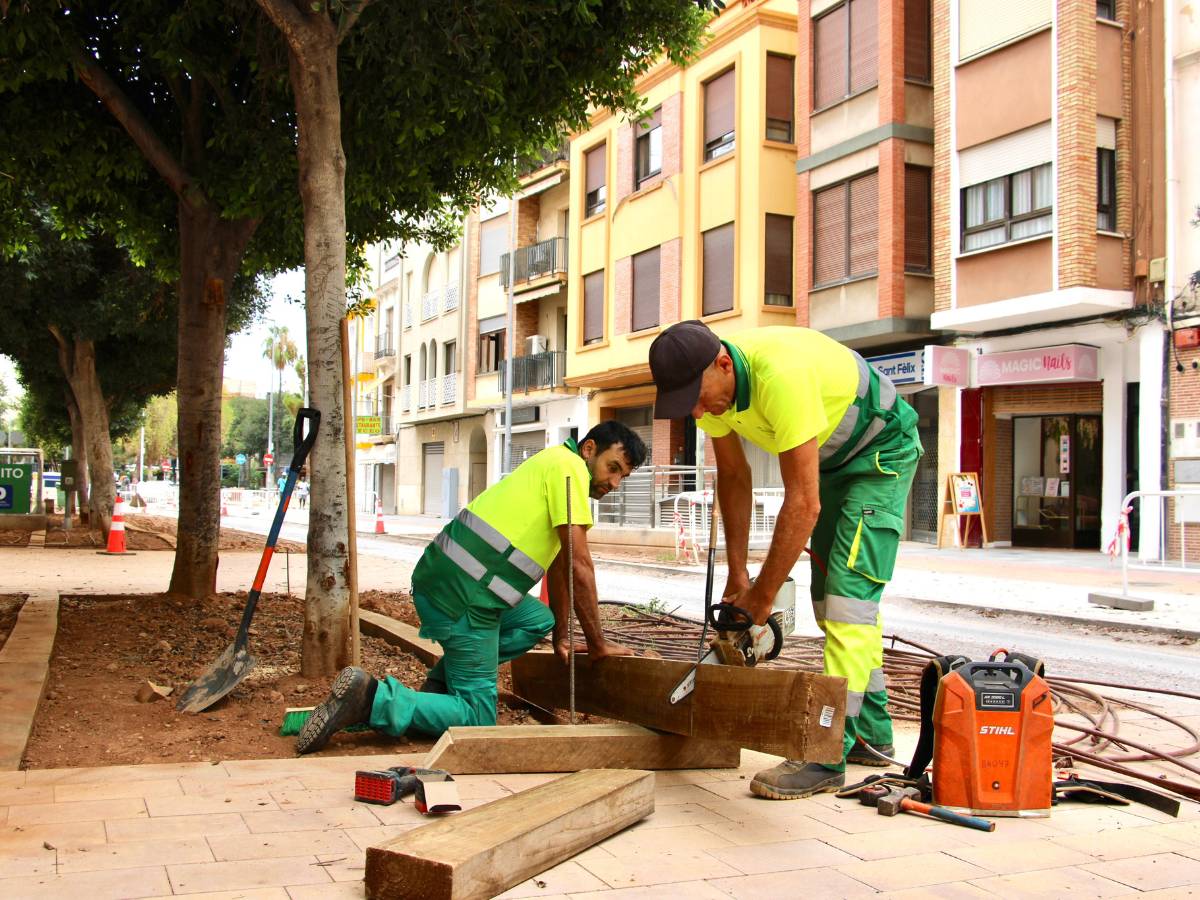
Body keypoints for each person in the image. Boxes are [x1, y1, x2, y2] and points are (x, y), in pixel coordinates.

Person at [649, 321, 921, 800]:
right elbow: (734, 478)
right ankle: (872, 734)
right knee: (829, 603)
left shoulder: (781, 377)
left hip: (881, 454)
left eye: (696, 396)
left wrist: (764, 597)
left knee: (847, 602)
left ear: (724, 365)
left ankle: (824, 751)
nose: (695, 411)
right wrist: (740, 575)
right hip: (835, 465)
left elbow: (803, 503)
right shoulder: (713, 392)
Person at [295, 421, 649, 754]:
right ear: (589, 449)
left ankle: (438, 690)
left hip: (454, 582)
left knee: (537, 620)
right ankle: (371, 699)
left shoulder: (555, 463)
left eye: (623, 476)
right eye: (613, 467)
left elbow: (561, 567)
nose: (614, 482)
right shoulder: (569, 468)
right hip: (468, 596)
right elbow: (579, 566)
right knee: (478, 715)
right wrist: (599, 645)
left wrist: (561, 635)